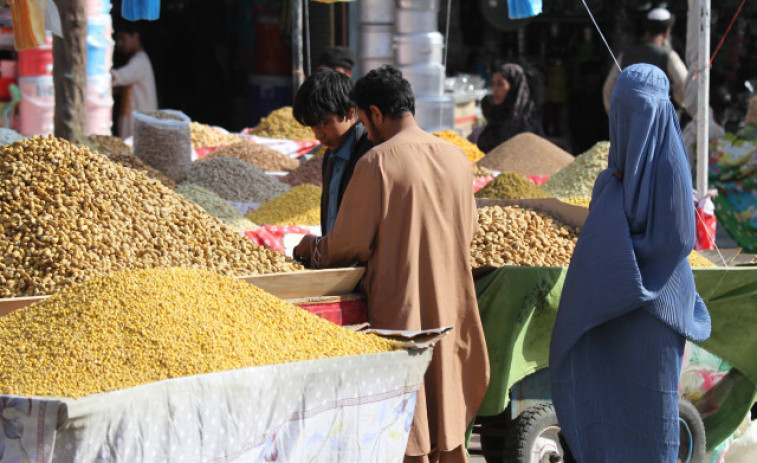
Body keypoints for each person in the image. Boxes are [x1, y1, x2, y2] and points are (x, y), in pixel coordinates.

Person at [294, 66, 489, 463]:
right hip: (452, 304)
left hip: (401, 308)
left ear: (375, 114)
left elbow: (347, 245)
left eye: (365, 119)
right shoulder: (456, 157)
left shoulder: (376, 163)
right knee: (445, 414)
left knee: (407, 422)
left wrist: (309, 249)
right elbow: (468, 232)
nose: (366, 129)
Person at [549, 64, 711, 462]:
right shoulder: (610, 181)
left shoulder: (668, 174)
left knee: (650, 419)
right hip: (610, 315)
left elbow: (676, 239)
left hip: (655, 320)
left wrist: (622, 267)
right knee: (603, 408)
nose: (633, 126)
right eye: (624, 115)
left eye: (641, 113)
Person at [292, 68, 374, 235]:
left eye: (324, 123)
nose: (318, 135)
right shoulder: (330, 154)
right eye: (313, 127)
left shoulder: (371, 154)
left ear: (350, 112)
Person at [602, 7, 688, 114]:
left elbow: (609, 89)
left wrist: (615, 116)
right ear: (666, 32)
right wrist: (679, 101)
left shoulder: (625, 56)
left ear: (646, 31)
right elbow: (684, 84)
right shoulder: (668, 56)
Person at [476, 63, 543, 153]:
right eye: (493, 84)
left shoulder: (527, 118)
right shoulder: (497, 114)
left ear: (513, 87)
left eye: (500, 84)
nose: (495, 89)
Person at [111, 22, 158, 139]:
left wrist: (96, 75)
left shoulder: (140, 61)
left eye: (123, 38)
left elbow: (117, 77)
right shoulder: (136, 60)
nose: (120, 43)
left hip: (140, 125)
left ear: (135, 36)